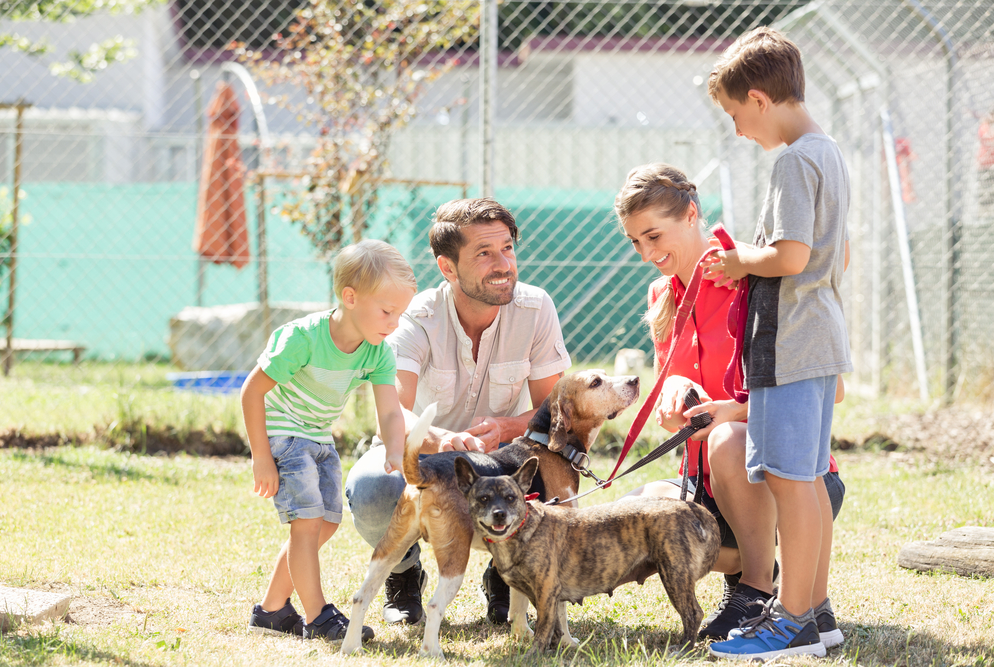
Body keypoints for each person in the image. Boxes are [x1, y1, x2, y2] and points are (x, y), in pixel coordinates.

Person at [614, 163, 846, 642]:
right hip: (706, 485)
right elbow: (678, 382)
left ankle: (756, 590)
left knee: (725, 437)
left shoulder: (754, 277)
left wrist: (732, 412)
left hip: (790, 482)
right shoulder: (663, 293)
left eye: (655, 236)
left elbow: (831, 391)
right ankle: (751, 572)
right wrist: (675, 402)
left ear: (692, 214)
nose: (647, 254)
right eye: (636, 242)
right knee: (633, 515)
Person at [344, 197, 572, 627]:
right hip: (427, 454)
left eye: (507, 248)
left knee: (554, 475)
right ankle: (404, 574)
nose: (503, 264)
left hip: (504, 462)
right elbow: (393, 411)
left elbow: (555, 410)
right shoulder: (415, 316)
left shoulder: (536, 307)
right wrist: (444, 440)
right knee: (374, 487)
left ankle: (506, 572)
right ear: (447, 268)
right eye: (484, 254)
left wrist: (507, 425)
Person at [701, 26, 854, 659]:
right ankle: (815, 615)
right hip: (817, 339)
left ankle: (790, 622)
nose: (739, 130)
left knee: (790, 482)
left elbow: (791, 256)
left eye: (737, 115)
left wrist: (739, 261)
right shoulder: (829, 151)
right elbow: (833, 252)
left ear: (760, 99)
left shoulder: (792, 159)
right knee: (808, 479)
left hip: (789, 344)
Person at [242, 239, 417, 641]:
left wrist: (394, 449)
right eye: (387, 311)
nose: (393, 323)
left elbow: (391, 411)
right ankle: (319, 616)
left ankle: (271, 611)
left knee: (326, 524)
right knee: (306, 525)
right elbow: (252, 392)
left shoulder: (377, 352)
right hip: (284, 435)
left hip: (319, 439)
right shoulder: (301, 338)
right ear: (350, 297)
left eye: (400, 314)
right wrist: (261, 458)